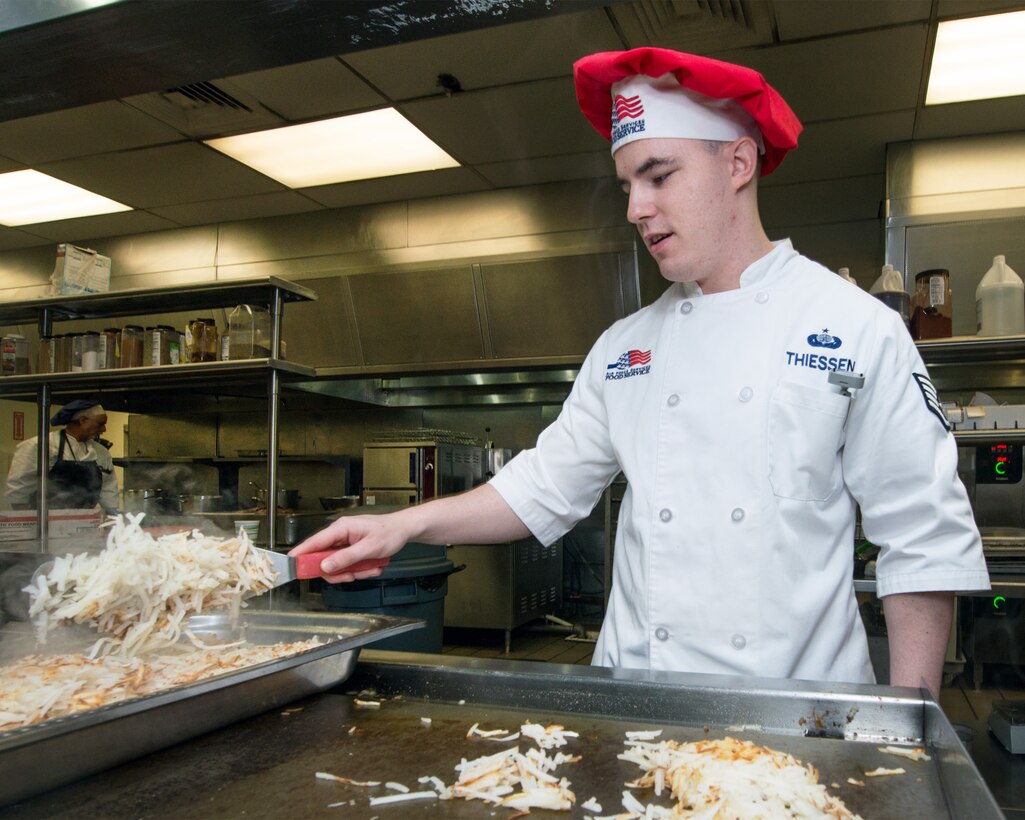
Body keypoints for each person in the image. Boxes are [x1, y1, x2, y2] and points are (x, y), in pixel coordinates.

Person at [292, 48, 989, 695]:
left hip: (796, 709)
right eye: (628, 184)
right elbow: (540, 489)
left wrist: (911, 723)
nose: (636, 208)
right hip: (634, 705)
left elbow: (921, 537)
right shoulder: (625, 348)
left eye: (659, 175)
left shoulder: (855, 325)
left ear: (737, 163)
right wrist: (401, 526)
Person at [5, 399, 118, 514]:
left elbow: (108, 489)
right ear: (83, 420)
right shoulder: (42, 446)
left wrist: (112, 517)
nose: (104, 429)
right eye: (100, 424)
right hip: (44, 521)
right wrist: (28, 523)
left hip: (84, 522)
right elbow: (19, 490)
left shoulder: (101, 452)